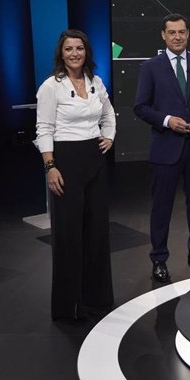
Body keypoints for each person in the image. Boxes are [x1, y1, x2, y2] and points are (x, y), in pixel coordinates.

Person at [35, 29, 116, 320]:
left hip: (94, 160)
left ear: (86, 52)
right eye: (69, 49)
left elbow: (108, 115)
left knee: (96, 231)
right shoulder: (50, 87)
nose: (74, 54)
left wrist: (109, 136)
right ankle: (69, 305)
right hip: (65, 162)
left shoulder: (96, 82)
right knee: (69, 234)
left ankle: (97, 297)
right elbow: (43, 128)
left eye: (79, 49)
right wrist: (50, 165)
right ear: (61, 53)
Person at [134, 13, 190, 282]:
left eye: (182, 32)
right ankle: (159, 258)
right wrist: (168, 120)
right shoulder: (151, 67)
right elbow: (141, 107)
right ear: (163, 35)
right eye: (172, 33)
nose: (178, 37)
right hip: (165, 148)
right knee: (161, 208)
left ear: (188, 34)